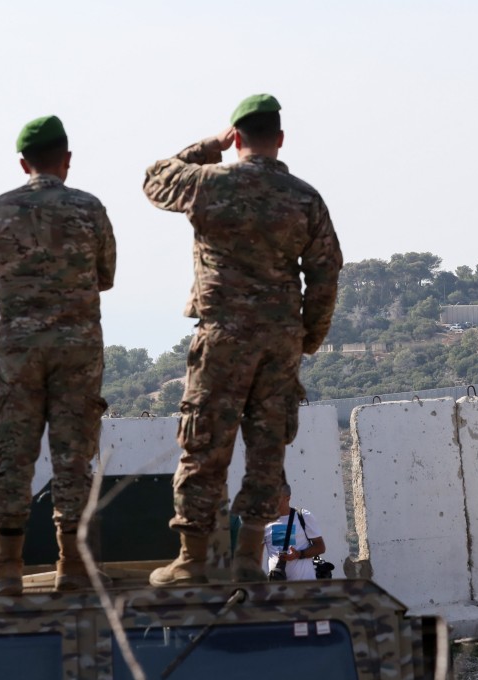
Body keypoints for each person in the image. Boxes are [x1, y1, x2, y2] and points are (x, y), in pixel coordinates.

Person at [142, 94, 343, 585]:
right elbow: (325, 273)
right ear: (279, 138)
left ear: (236, 139)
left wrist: (206, 147)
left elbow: (154, 180)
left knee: (204, 442)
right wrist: (307, 338)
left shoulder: (209, 183)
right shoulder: (304, 198)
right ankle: (250, 557)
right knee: (267, 448)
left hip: (223, 336)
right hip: (279, 342)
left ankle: (191, 559)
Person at [0, 115, 116, 595]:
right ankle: (72, 567)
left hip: (18, 350)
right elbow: (105, 274)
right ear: (67, 159)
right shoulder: (89, 208)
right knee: (73, 458)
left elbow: (0, 269)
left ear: (23, 163)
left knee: (14, 457)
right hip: (76, 348)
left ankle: (7, 570)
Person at [262, 484, 326, 581]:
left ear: (288, 498)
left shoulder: (304, 517)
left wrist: (298, 554)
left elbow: (320, 547)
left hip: (304, 585)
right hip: (277, 587)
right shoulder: (263, 522)